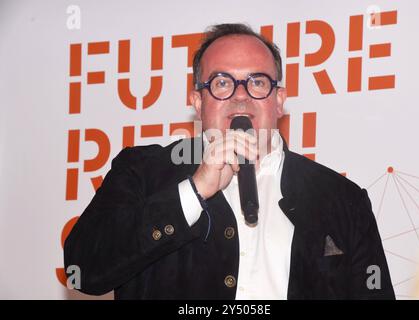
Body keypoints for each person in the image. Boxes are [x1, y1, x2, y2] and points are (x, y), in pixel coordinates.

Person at [64, 23, 395, 299]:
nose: (240, 95)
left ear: (279, 101)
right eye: (222, 83)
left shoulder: (341, 199)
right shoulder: (144, 171)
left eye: (257, 82)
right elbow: (83, 270)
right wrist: (193, 192)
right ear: (197, 100)